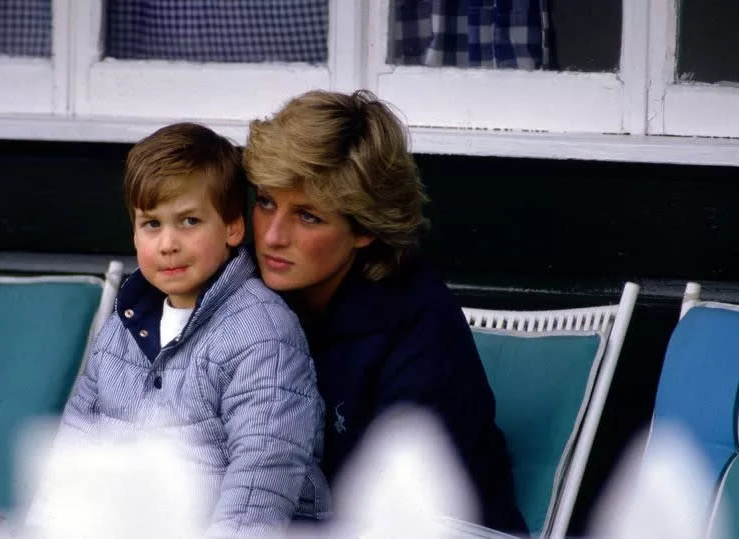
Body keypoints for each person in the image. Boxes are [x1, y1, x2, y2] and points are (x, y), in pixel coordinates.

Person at [243, 90, 526, 533]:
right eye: (265, 202)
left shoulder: (419, 327)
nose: (273, 236)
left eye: (308, 217)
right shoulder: (245, 291)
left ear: (364, 230)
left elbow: (400, 507)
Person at [51, 122, 329, 536]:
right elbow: (74, 445)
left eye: (189, 221)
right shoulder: (125, 323)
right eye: (152, 225)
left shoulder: (262, 331)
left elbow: (261, 476)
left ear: (233, 227)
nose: (167, 244)